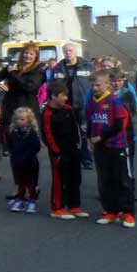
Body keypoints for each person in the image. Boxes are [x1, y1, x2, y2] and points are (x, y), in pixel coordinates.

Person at [86, 70, 134, 227]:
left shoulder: (114, 101)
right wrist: (89, 139)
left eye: (98, 85)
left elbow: (119, 125)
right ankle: (110, 211)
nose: (95, 88)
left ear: (107, 85)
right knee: (104, 180)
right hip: (100, 148)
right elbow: (90, 123)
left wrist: (101, 137)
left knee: (122, 180)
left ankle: (127, 213)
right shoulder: (91, 101)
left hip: (117, 146)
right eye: (93, 85)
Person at [42, 80, 86, 219]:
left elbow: (76, 128)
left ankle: (74, 205)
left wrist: (79, 145)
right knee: (60, 179)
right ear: (54, 96)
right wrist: (56, 151)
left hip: (73, 149)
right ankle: (57, 207)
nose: (66, 98)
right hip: (59, 152)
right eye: (63, 95)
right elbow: (47, 134)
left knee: (75, 178)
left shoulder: (68, 109)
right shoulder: (47, 113)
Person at [50, 44, 94, 168]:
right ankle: (71, 158)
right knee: (67, 133)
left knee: (85, 132)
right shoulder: (58, 67)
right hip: (64, 105)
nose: (68, 53)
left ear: (75, 51)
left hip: (82, 104)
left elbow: (93, 84)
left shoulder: (87, 65)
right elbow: (51, 86)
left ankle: (86, 159)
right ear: (63, 52)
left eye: (70, 50)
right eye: (66, 51)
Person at [6, 108, 43, 213]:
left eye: (22, 119)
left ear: (29, 120)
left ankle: (32, 200)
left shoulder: (31, 133)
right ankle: (20, 199)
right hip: (17, 161)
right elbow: (10, 144)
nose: (19, 121)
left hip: (30, 161)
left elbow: (36, 146)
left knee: (31, 182)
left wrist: (27, 155)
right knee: (20, 182)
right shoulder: (14, 132)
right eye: (17, 119)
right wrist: (13, 154)